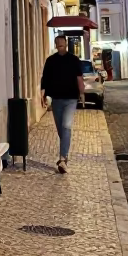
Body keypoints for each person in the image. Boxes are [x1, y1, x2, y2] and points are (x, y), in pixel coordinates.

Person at [40, 35, 85, 173]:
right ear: (55, 44)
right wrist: (42, 95)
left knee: (66, 126)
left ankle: (62, 159)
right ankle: (64, 154)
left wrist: (82, 93)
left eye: (62, 42)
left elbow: (79, 78)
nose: (60, 44)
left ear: (66, 43)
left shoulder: (74, 60)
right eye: (57, 42)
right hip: (56, 99)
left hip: (71, 99)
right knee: (61, 129)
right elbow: (45, 79)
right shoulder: (50, 61)